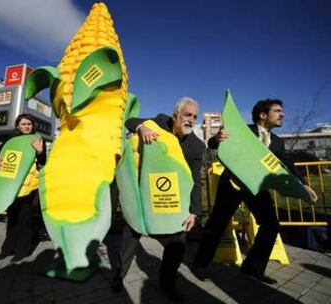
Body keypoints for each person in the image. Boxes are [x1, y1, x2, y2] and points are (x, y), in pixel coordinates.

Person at [193, 99, 318, 284]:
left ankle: (253, 268)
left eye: (282, 111)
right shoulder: (244, 130)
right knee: (217, 224)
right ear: (263, 115)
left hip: (256, 187)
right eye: (277, 111)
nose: (282, 114)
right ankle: (200, 265)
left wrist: (303, 184)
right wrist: (216, 139)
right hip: (232, 185)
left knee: (271, 225)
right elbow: (213, 143)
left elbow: (286, 165)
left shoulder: (277, 142)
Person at [112, 97, 205, 301]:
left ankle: (167, 285)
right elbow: (131, 121)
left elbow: (196, 180)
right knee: (130, 236)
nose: (191, 119)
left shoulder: (196, 146)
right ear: (175, 116)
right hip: (142, 196)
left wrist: (194, 212)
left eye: (195, 117)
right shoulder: (160, 122)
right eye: (187, 115)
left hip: (170, 202)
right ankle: (119, 275)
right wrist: (142, 128)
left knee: (176, 245)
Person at [0, 114, 47, 262]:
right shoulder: (11, 140)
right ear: (18, 126)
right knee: (12, 218)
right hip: (11, 184)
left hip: (28, 185)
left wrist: (40, 151)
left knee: (24, 218)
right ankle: (6, 250)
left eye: (29, 124)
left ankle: (22, 251)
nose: (26, 126)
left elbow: (43, 161)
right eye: (23, 124)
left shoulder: (37, 139)